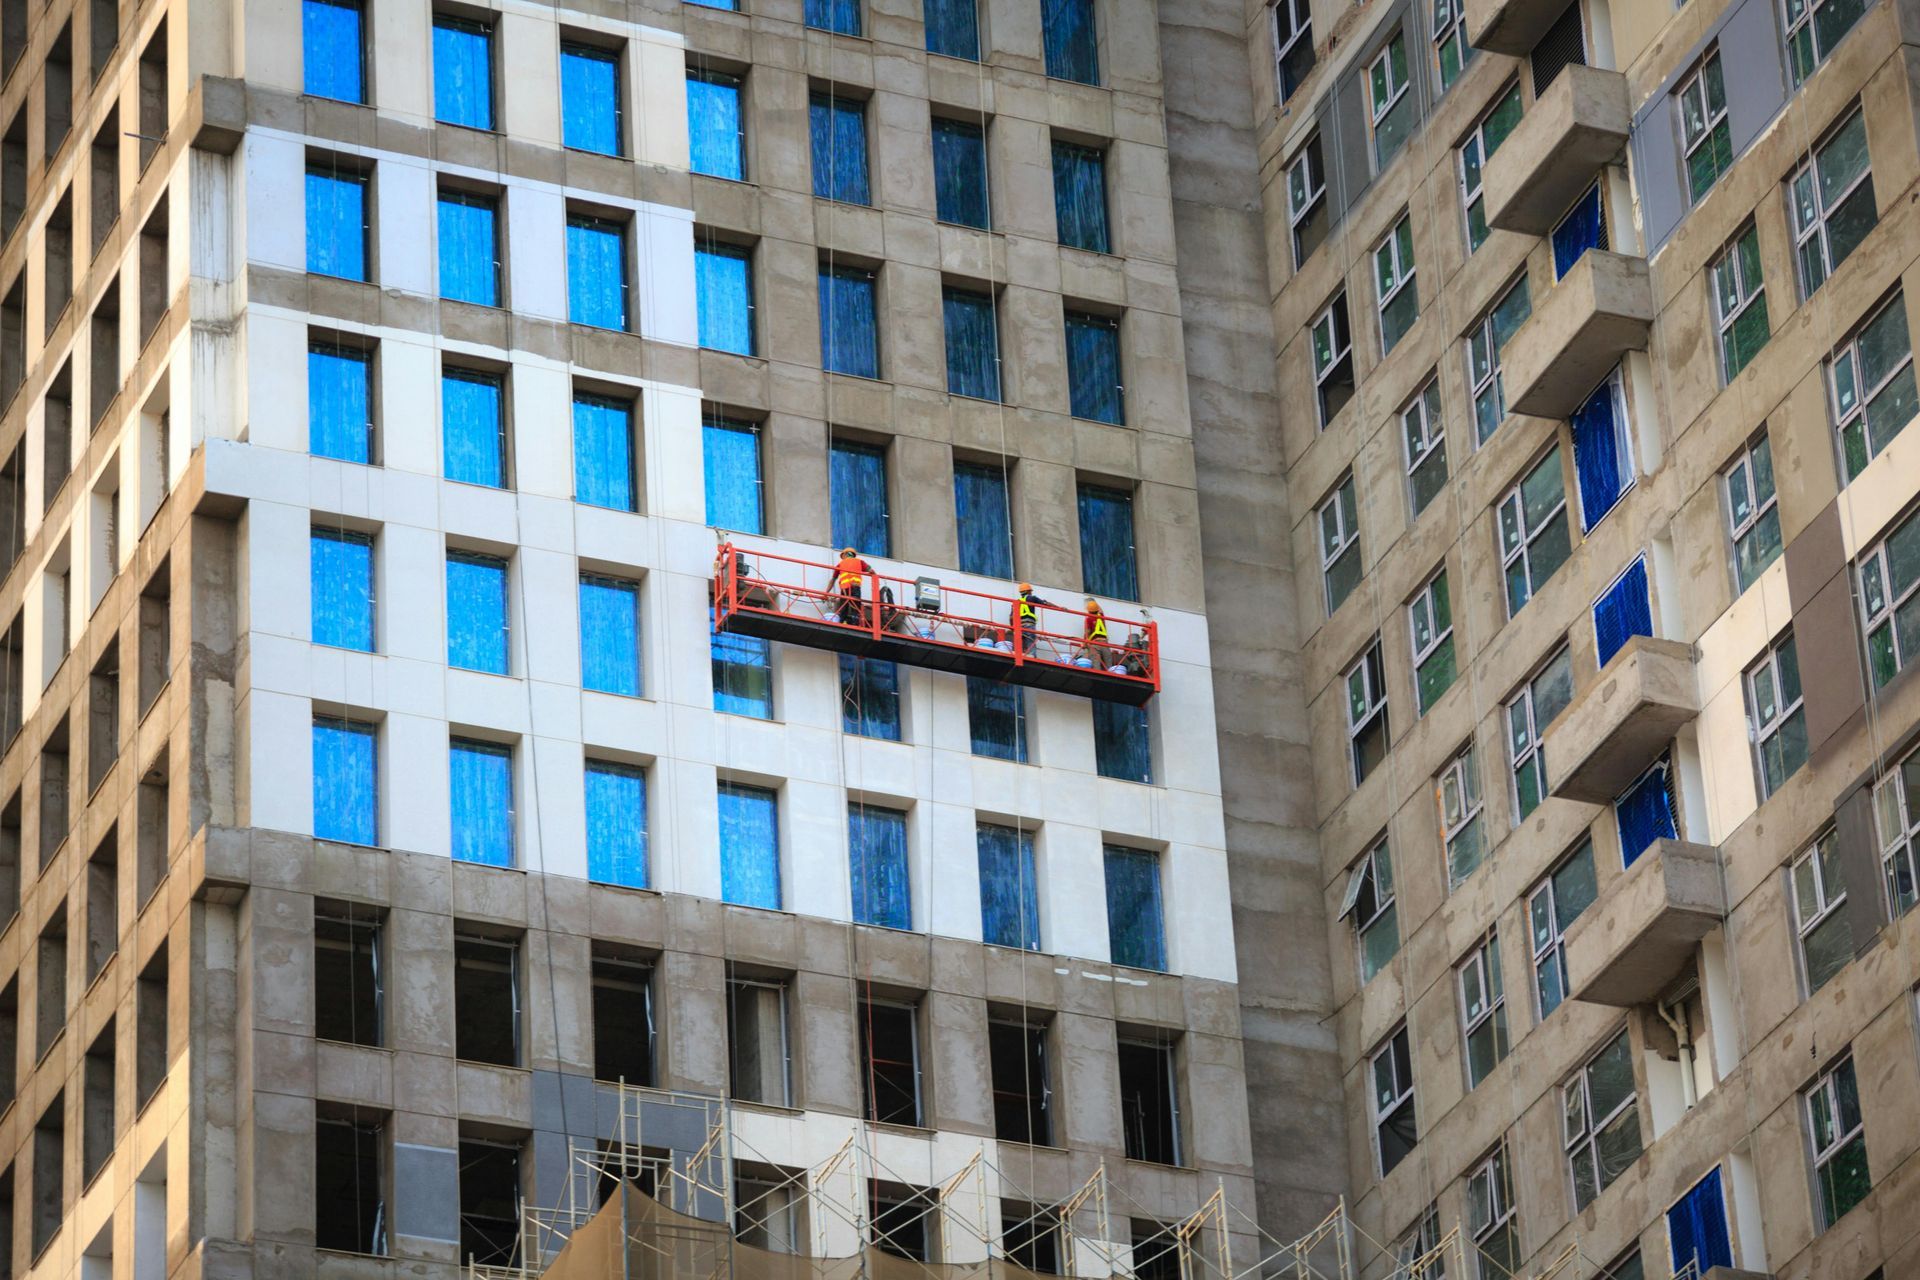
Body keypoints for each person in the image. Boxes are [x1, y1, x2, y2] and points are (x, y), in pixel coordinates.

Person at [833, 547, 872, 625]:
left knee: (844, 608)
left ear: (845, 554)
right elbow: (871, 570)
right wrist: (875, 578)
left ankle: (842, 622)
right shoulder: (860, 562)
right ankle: (855, 624)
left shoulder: (840, 564)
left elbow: (833, 579)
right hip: (855, 587)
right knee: (856, 607)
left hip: (845, 589)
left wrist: (826, 592)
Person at [1009, 583, 1051, 653]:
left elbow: (1011, 617)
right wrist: (1059, 607)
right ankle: (1032, 657)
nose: (1031, 592)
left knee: (1020, 643)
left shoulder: (1016, 602)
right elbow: (1045, 603)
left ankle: (1021, 655)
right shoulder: (1032, 598)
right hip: (1029, 624)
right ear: (1028, 591)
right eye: (1030, 591)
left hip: (1019, 626)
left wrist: (1012, 628)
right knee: (1031, 642)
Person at [1079, 596, 1113, 668]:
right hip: (1105, 643)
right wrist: (1093, 601)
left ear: (1088, 610)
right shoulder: (1101, 616)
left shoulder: (1088, 619)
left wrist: (1084, 643)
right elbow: (1101, 610)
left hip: (1095, 644)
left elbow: (1087, 632)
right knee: (1109, 664)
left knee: (1096, 664)